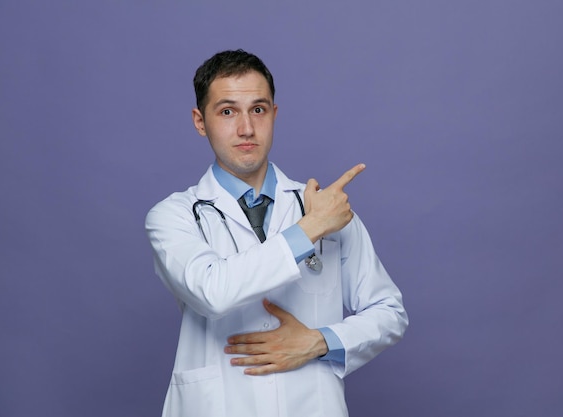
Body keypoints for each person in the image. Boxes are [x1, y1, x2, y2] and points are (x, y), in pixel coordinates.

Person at [145, 49, 408, 417]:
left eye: (258, 109)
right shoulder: (174, 216)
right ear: (199, 121)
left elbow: (389, 311)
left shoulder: (323, 208)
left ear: (274, 114)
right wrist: (310, 229)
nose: (246, 128)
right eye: (226, 111)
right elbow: (212, 291)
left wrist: (320, 342)